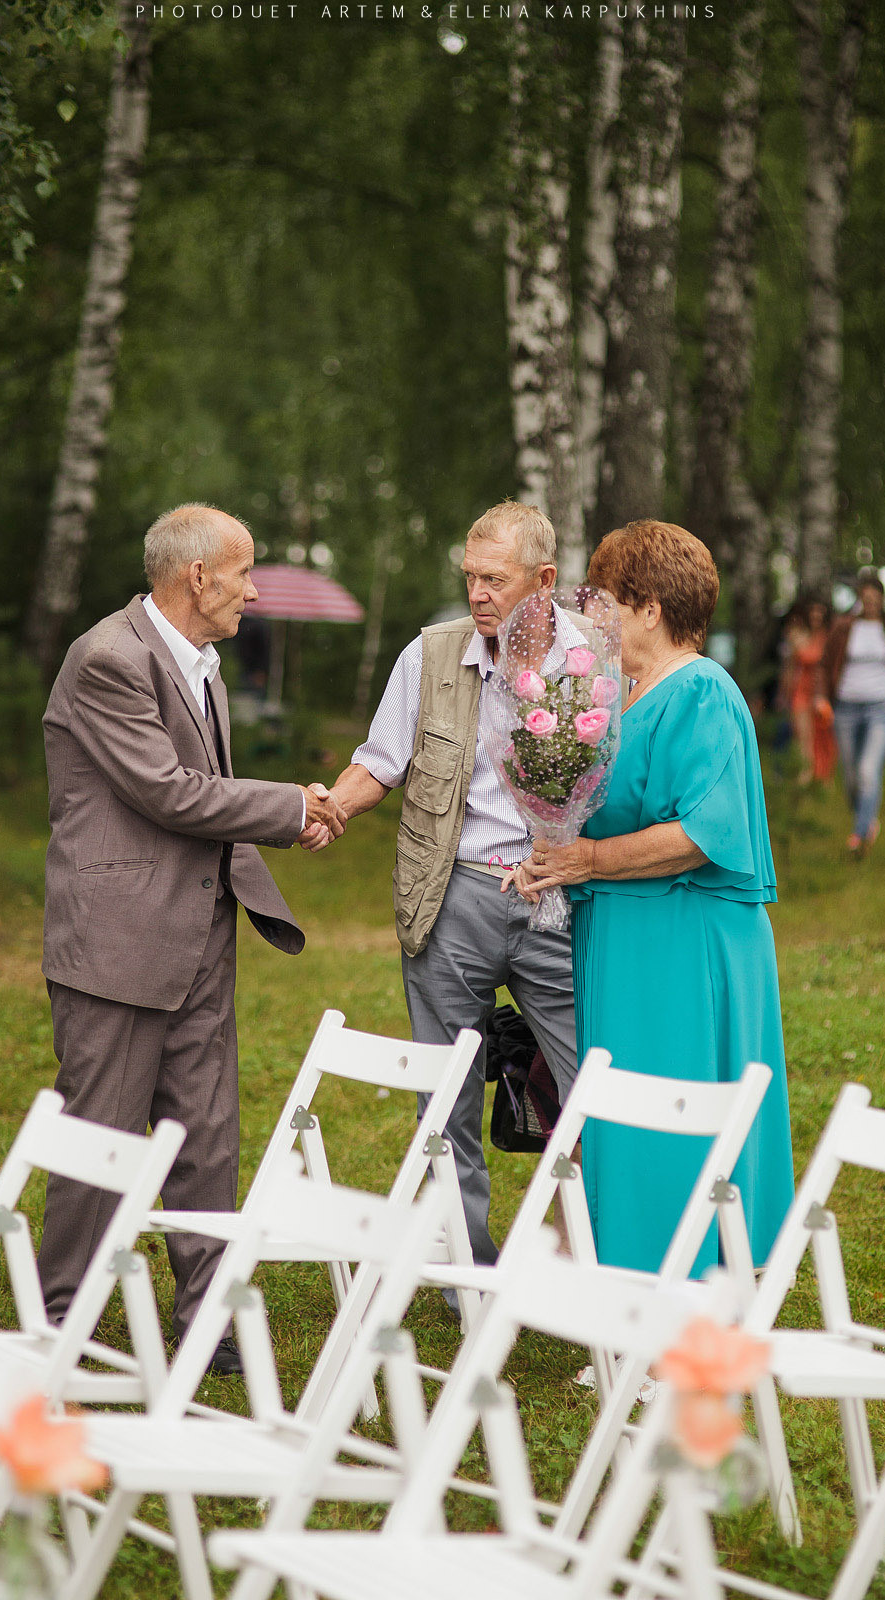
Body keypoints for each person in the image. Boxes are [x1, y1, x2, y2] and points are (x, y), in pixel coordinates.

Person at [37, 503, 346, 1372]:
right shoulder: (108, 659)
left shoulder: (201, 664)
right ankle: (58, 1318)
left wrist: (285, 817)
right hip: (118, 939)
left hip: (202, 925)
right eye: (244, 572)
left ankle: (206, 1319)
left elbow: (204, 793)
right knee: (102, 1136)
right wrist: (292, 807)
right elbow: (170, 793)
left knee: (207, 1132)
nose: (254, 590)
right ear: (196, 577)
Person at [507, 518, 795, 1279]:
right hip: (624, 939)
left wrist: (589, 857)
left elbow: (704, 830)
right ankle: (623, 1283)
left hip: (681, 941)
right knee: (623, 1110)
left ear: (650, 609)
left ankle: (679, 1288)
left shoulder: (701, 690)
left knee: (670, 1106)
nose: (593, 621)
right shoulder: (623, 697)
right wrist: (550, 855)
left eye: (605, 604)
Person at [310, 502, 581, 1298]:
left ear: (544, 581)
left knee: (586, 1087)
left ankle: (585, 1264)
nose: (478, 594)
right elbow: (378, 761)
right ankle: (470, 1273)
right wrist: (327, 810)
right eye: (469, 577)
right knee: (445, 1100)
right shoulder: (429, 656)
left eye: (493, 579)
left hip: (557, 906)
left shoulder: (592, 660)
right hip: (451, 896)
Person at [822, 569, 885, 855]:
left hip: (883, 707)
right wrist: (822, 699)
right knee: (850, 777)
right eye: (865, 598)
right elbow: (826, 664)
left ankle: (859, 835)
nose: (870, 604)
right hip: (847, 708)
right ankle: (865, 820)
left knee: (868, 770)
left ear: (882, 600)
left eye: (875, 599)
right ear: (859, 599)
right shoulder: (844, 627)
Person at [780, 595, 835, 786]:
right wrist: (784, 692)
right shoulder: (798, 635)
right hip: (801, 690)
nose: (816, 616)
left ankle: (823, 777)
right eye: (813, 612)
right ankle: (805, 776)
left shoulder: (828, 637)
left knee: (823, 735)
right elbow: (789, 667)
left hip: (819, 691)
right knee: (802, 736)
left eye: (819, 612)